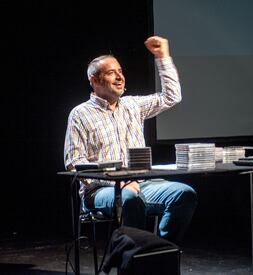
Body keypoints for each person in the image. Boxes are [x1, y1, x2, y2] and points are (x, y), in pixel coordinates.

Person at [64, 36, 197, 243]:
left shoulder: (133, 106)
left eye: (120, 71)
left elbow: (171, 97)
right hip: (101, 190)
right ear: (95, 80)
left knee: (184, 194)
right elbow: (74, 163)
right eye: (111, 73)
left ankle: (159, 250)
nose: (119, 77)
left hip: (141, 184)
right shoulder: (80, 114)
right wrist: (116, 181)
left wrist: (162, 56)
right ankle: (136, 260)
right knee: (130, 200)